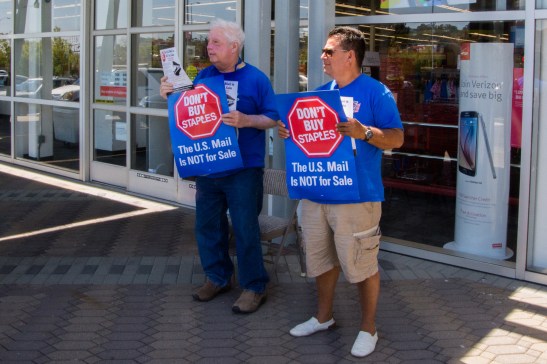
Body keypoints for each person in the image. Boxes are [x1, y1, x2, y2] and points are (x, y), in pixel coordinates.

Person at [277, 26, 404, 357]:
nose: (322, 56)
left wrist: (365, 132)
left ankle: (369, 328)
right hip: (317, 193)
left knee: (361, 263)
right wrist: (288, 131)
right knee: (320, 260)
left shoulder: (377, 93)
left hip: (357, 197)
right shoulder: (319, 93)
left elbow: (396, 138)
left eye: (328, 51)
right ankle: (323, 317)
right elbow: (309, 138)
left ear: (350, 56)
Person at [160, 18, 278, 314]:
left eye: (215, 42)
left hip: (244, 169)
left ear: (234, 46)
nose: (208, 47)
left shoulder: (256, 79)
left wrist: (247, 120)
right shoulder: (201, 76)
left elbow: (274, 118)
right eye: (209, 41)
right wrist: (170, 95)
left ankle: (254, 286)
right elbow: (188, 112)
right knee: (207, 226)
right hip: (210, 166)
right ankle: (218, 277)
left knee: (245, 228)